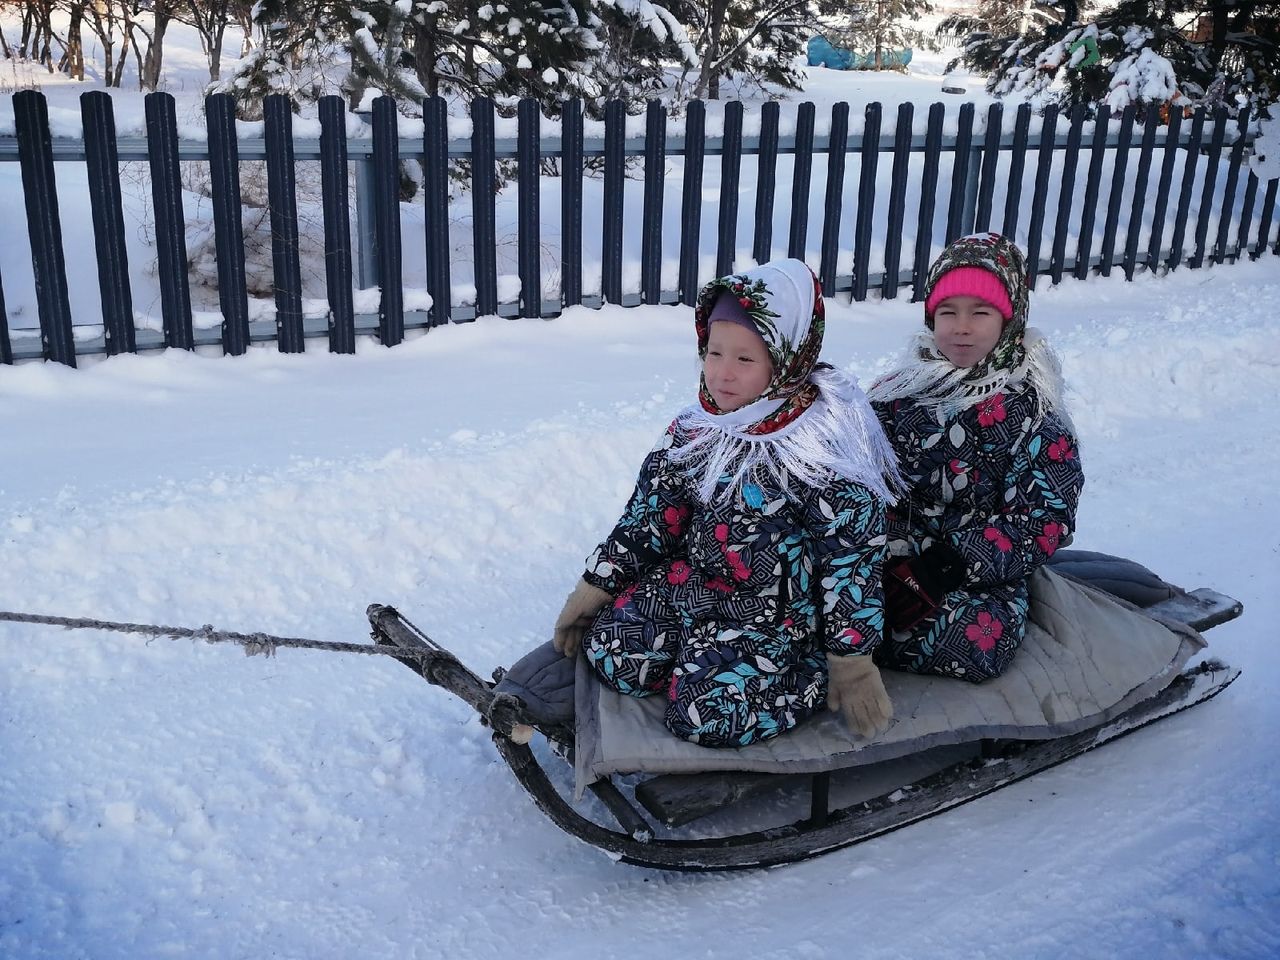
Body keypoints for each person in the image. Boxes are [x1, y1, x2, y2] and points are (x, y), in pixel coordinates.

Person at [551, 259, 903, 746]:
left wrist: (852, 659)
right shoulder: (698, 428)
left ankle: (804, 676)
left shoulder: (822, 445)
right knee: (614, 655)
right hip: (694, 587)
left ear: (787, 358)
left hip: (772, 616)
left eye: (744, 359)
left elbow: (851, 562)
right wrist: (596, 586)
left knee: (703, 715)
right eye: (714, 354)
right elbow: (652, 514)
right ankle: (699, 657)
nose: (722, 374)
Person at [868, 232, 1085, 682]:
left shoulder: (1033, 411)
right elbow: (859, 474)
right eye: (947, 312)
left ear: (1009, 321)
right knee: (817, 599)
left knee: (970, 640)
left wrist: (945, 566)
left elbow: (1044, 518)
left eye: (980, 313)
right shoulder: (897, 394)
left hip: (969, 573)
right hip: (888, 554)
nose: (961, 327)